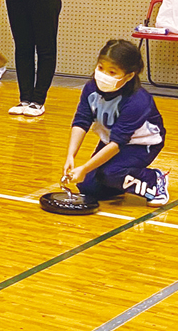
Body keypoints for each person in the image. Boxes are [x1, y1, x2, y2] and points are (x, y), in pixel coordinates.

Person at [64, 39, 169, 206]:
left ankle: (153, 180)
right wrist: (71, 155)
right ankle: (122, 180)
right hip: (110, 140)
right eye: (100, 68)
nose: (104, 75)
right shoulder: (91, 88)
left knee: (111, 173)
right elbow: (82, 120)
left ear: (129, 75)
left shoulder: (137, 101)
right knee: (87, 186)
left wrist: (84, 168)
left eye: (112, 72)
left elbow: (117, 143)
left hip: (141, 145)